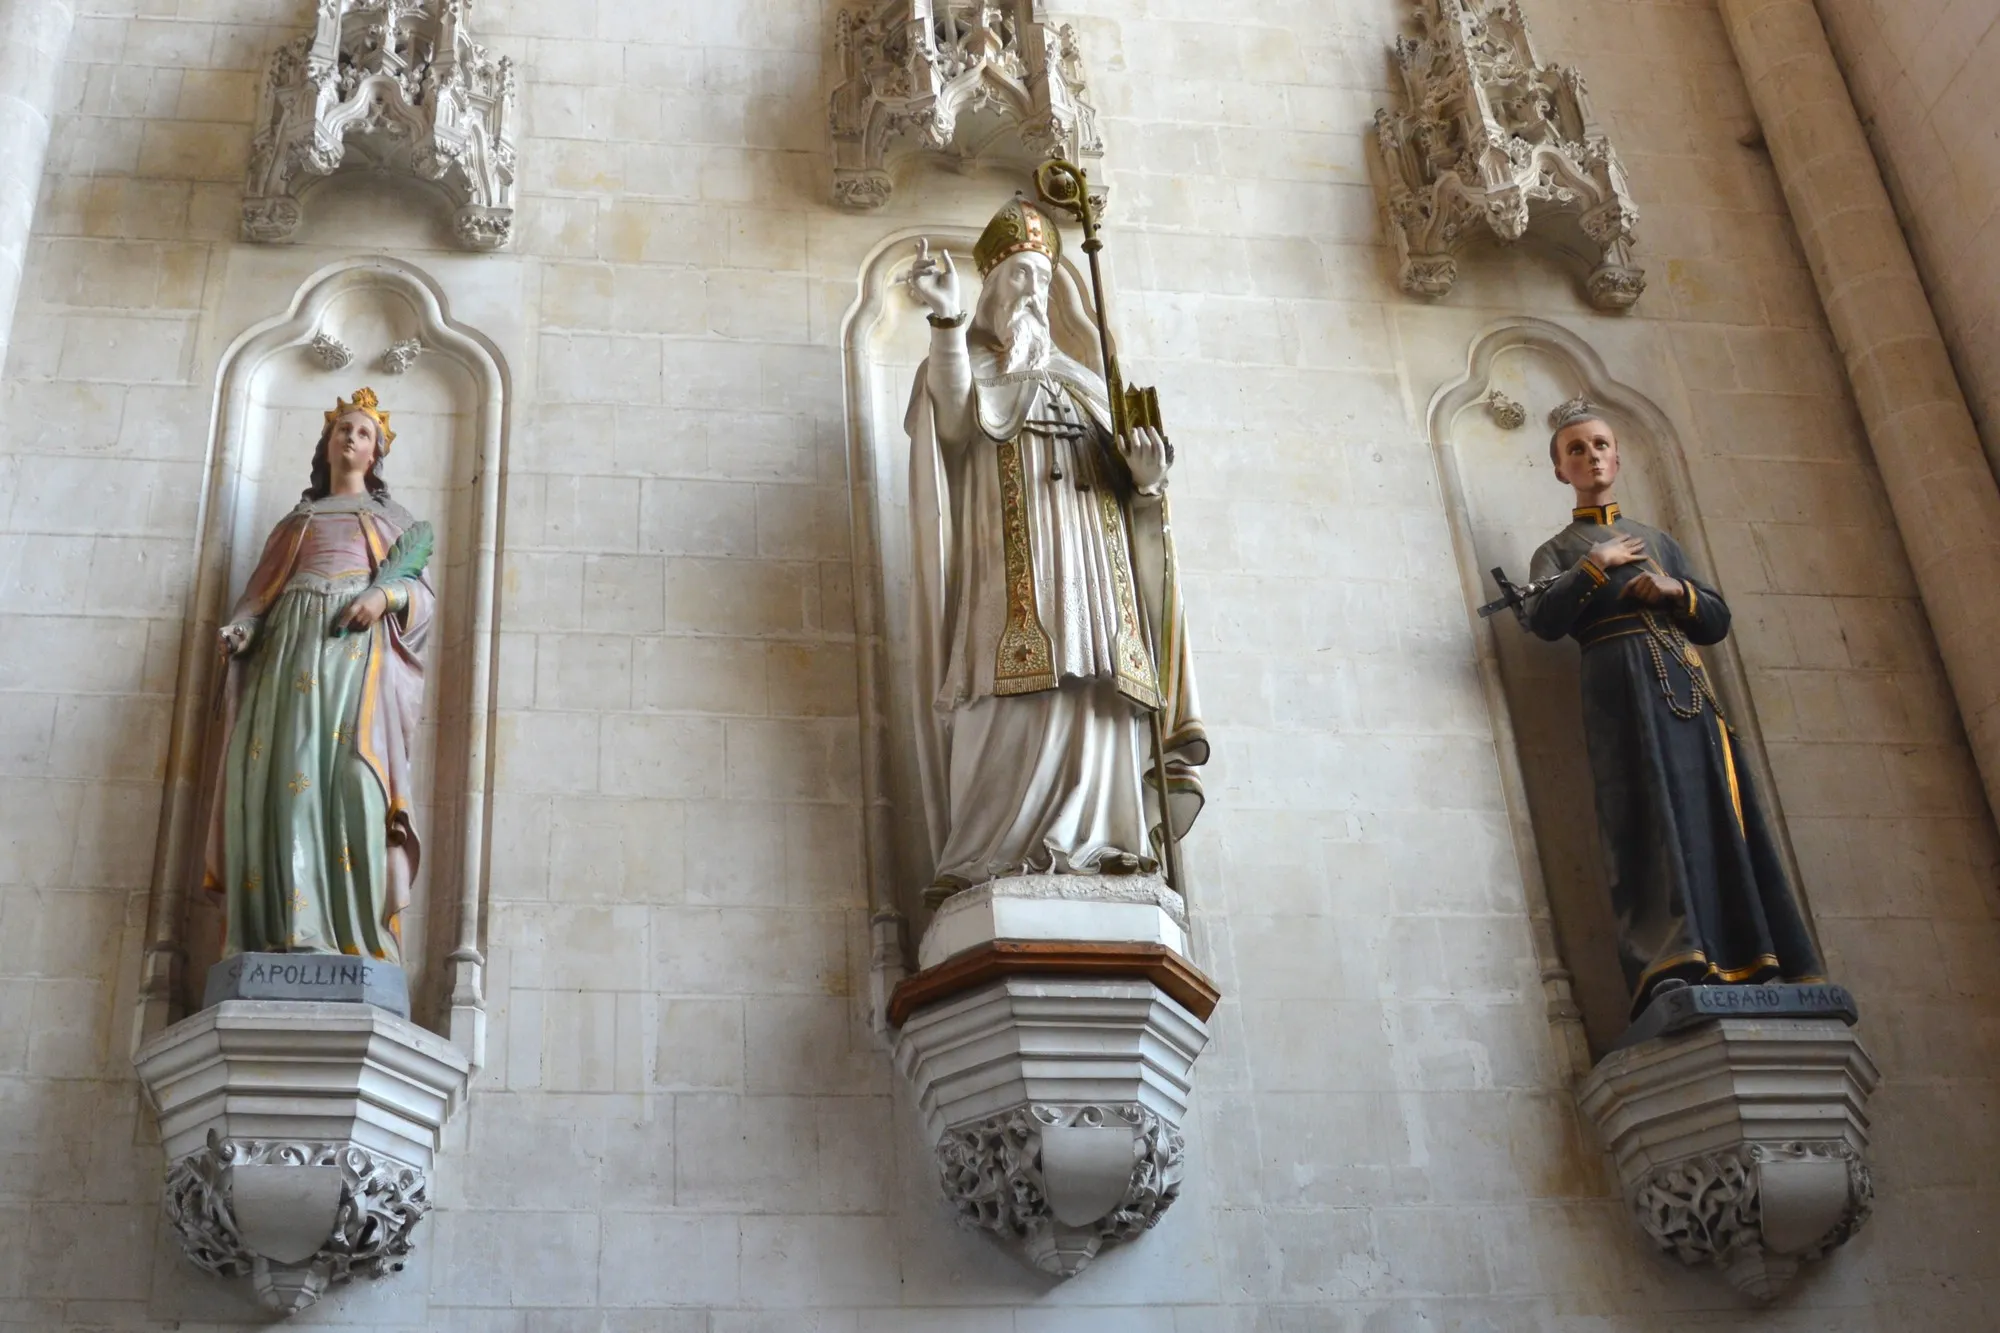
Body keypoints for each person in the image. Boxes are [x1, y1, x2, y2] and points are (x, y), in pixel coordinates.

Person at [902, 197, 1207, 900]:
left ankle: (1106, 845)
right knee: (1008, 697)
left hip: (1097, 590)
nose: (1030, 291)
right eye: (1016, 277)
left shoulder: (1085, 385)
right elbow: (950, 422)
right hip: (1007, 578)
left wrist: (1148, 482)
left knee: (1096, 697)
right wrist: (946, 321)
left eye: (1041, 279)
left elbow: (1138, 505)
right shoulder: (966, 367)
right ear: (990, 286)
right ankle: (993, 850)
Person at [1526, 403, 1823, 1019]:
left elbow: (1714, 619)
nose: (1591, 456)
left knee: (1710, 811)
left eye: (1600, 444)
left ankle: (1749, 954)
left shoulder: (1659, 542)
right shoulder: (1556, 551)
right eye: (1575, 450)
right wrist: (1594, 566)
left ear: (1618, 456)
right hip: (1617, 693)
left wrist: (1673, 591)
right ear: (1560, 471)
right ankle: (1670, 960)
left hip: (1686, 694)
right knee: (1642, 817)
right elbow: (1544, 621)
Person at [202, 388, 434, 962]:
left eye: (362, 433)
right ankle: (285, 928)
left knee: (355, 781)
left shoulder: (391, 522)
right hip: (289, 652)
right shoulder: (297, 521)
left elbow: (421, 598)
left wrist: (383, 597)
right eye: (342, 430)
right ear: (327, 443)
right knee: (282, 777)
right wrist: (242, 628)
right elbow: (259, 595)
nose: (350, 438)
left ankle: (356, 937)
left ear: (376, 453)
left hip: (355, 658)